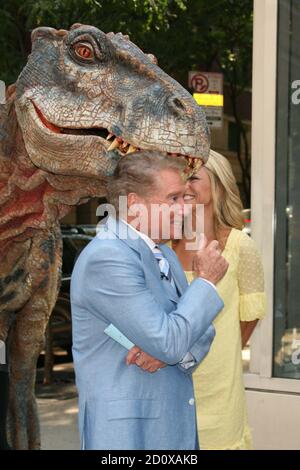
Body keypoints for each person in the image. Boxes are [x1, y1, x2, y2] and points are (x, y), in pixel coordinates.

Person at [70, 151, 228, 450]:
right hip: (129, 435)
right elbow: (172, 337)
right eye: (173, 199)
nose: (184, 209)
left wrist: (170, 349)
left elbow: (202, 331)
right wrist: (206, 282)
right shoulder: (108, 256)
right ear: (134, 204)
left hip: (171, 427)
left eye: (184, 198)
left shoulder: (164, 253)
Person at [171, 150, 267, 449]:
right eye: (180, 178)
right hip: (168, 386)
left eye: (194, 177)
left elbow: (248, 320)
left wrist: (214, 356)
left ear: (218, 186)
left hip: (220, 390)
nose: (185, 185)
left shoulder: (241, 246)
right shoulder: (160, 247)